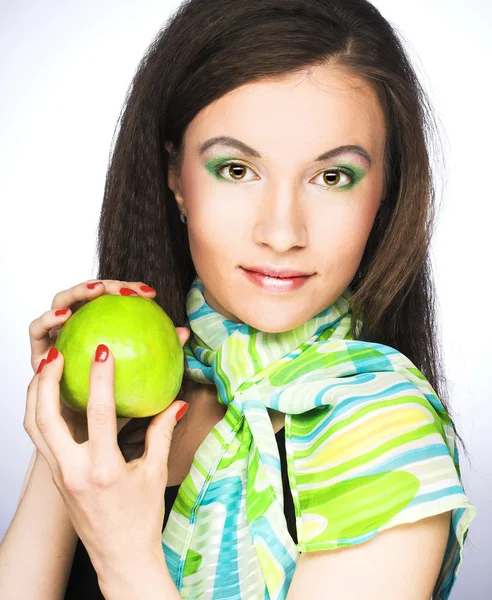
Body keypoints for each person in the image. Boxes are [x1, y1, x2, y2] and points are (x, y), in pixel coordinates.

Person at [0, 0, 477, 598]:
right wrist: (66, 437)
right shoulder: (143, 392)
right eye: (236, 169)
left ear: (385, 190)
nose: (282, 232)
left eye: (331, 177)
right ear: (175, 176)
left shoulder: (385, 432)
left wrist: (127, 560)